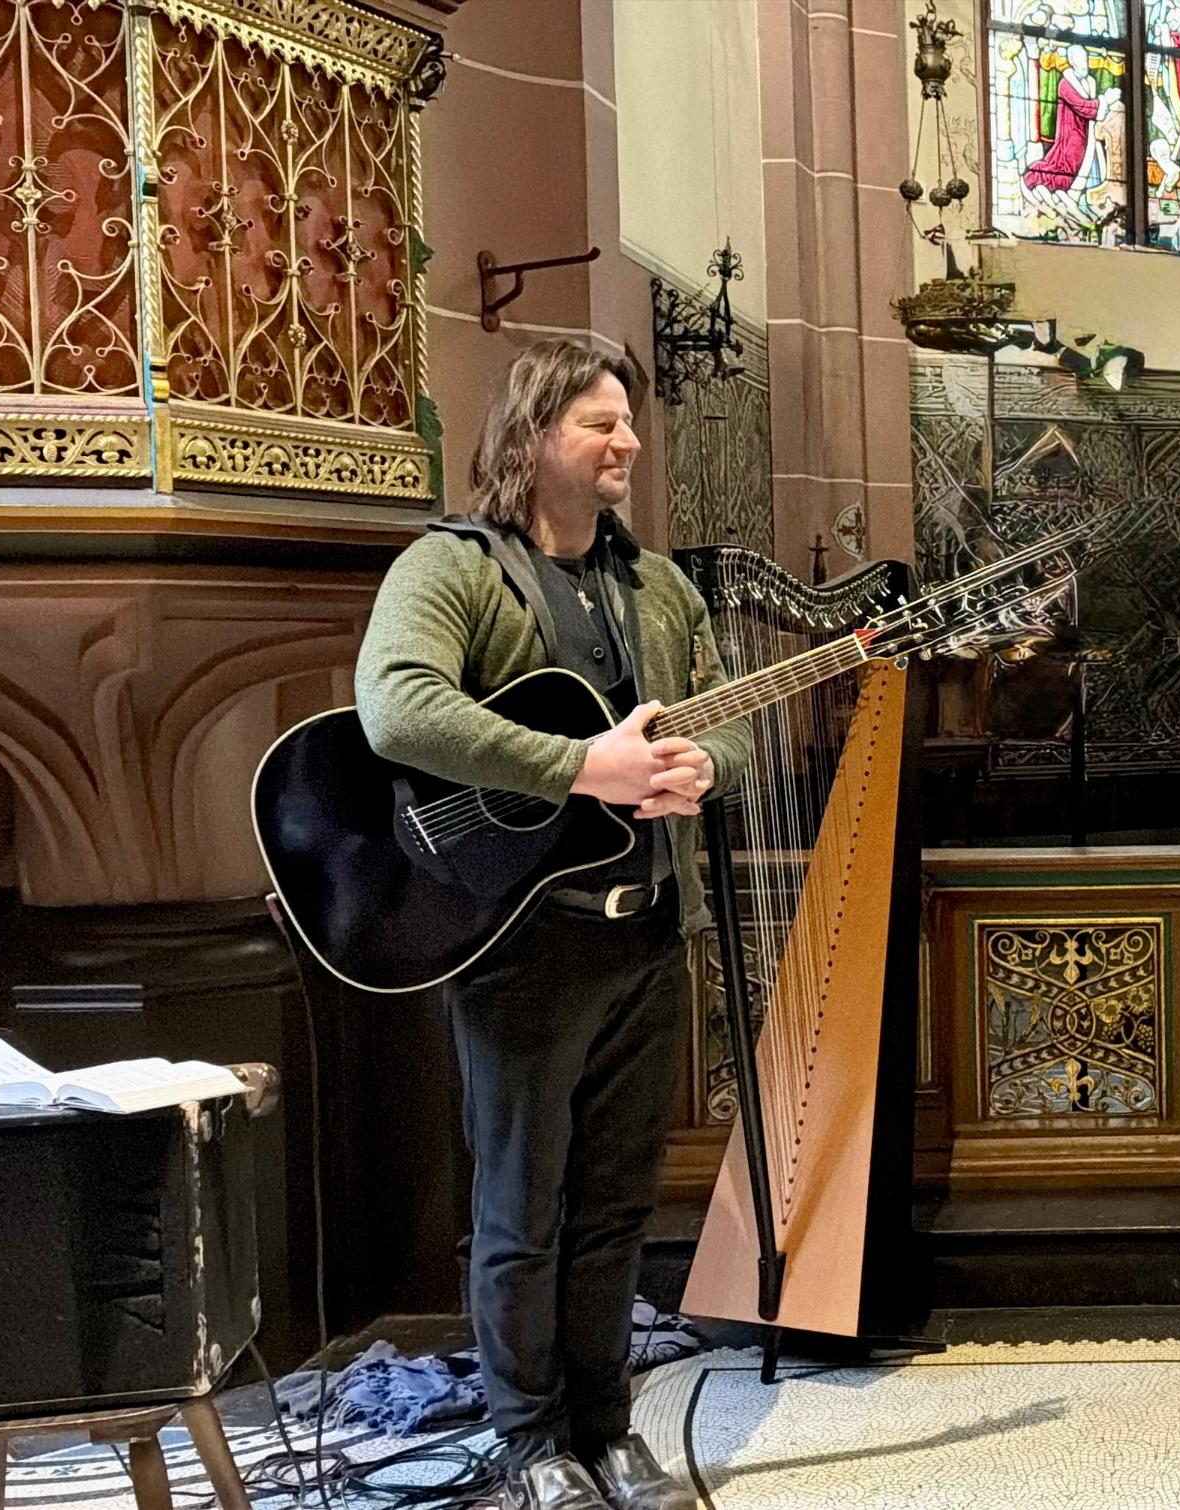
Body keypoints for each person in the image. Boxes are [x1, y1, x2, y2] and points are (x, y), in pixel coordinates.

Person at [356, 341, 753, 1510]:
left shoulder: (660, 586)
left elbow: (719, 718)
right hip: (524, 942)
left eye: (626, 421)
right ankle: (533, 1443)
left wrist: (699, 768)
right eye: (599, 422)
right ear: (531, 438)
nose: (626, 441)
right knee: (522, 1206)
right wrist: (585, 765)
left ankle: (604, 1423)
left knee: (620, 1200)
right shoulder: (453, 567)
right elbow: (398, 704)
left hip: (648, 934)